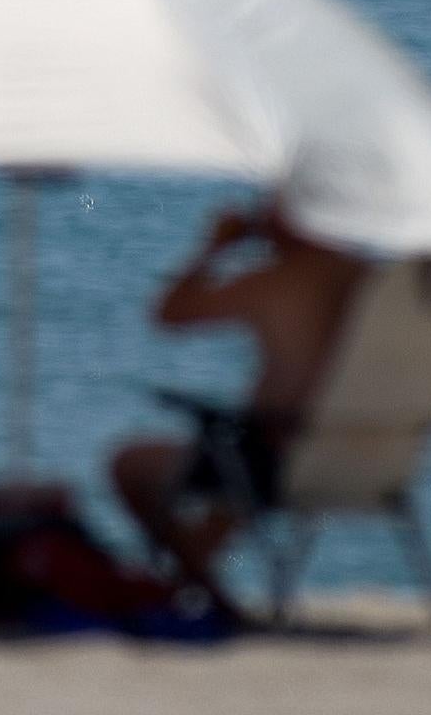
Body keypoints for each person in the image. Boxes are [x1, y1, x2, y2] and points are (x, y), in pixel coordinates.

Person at [109, 196, 369, 620]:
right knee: (229, 475)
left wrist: (214, 247)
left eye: (271, 206)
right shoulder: (372, 280)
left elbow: (169, 313)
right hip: (366, 458)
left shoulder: (278, 281)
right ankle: (186, 586)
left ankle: (211, 599)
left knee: (128, 463)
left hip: (277, 461)